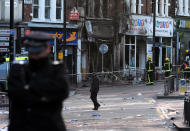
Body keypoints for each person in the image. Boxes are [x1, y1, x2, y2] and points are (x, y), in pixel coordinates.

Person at [8, 32, 69, 131]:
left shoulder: (57, 69)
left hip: (49, 126)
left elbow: (62, 91)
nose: (36, 56)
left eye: (38, 52)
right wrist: (44, 96)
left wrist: (28, 89)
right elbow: (14, 93)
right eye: (33, 52)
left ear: (48, 48)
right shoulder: (18, 69)